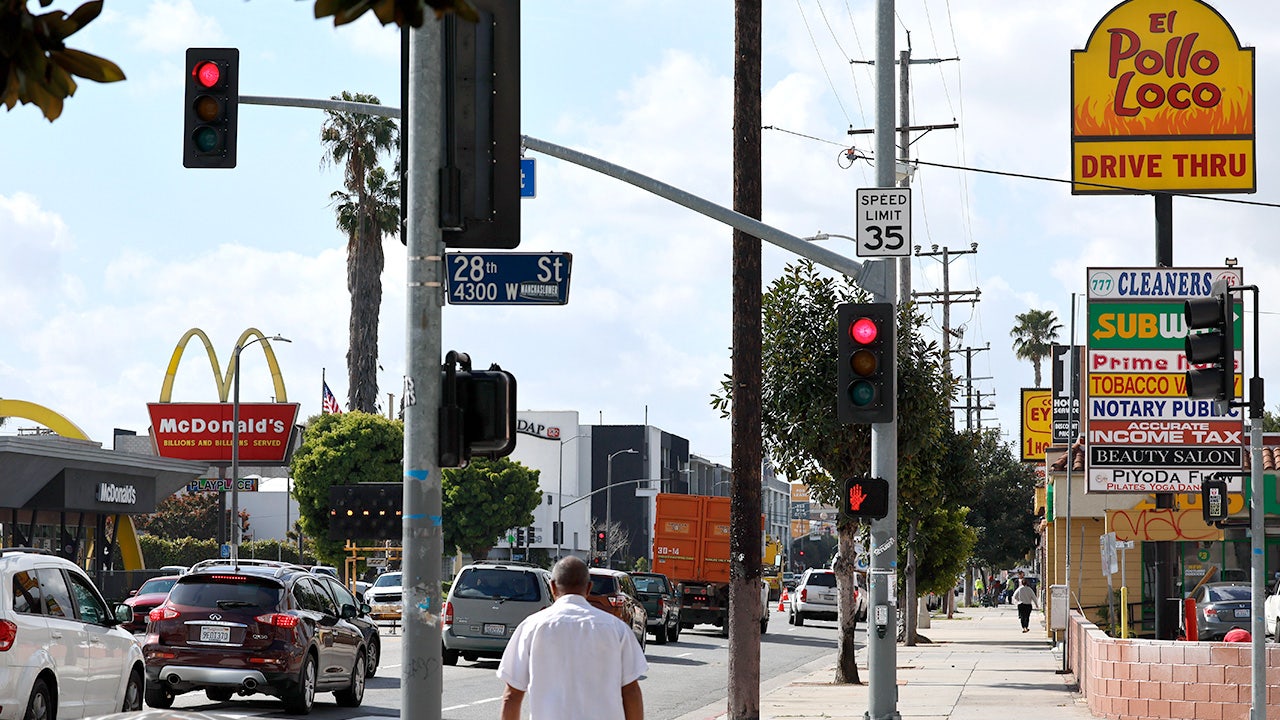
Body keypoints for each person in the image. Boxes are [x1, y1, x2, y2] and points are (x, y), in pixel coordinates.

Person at [498, 555, 647, 720]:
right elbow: (631, 691)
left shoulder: (531, 627)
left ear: (552, 587)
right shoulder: (616, 629)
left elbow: (511, 696)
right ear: (589, 588)